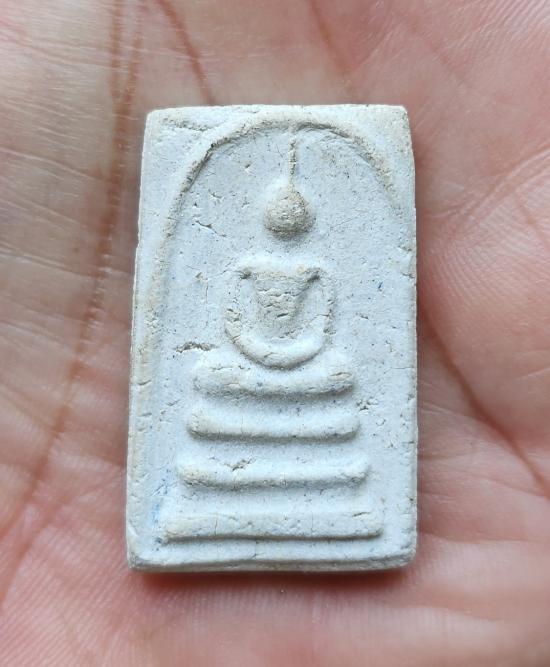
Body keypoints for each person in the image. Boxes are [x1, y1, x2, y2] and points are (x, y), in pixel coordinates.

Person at [1, 1, 549, 664]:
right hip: (250, 363)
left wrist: (295, 357)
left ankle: (326, 504)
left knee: (338, 377)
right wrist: (261, 355)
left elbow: (320, 330)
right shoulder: (246, 269)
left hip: (305, 365)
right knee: (212, 377)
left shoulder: (317, 269)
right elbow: (234, 326)